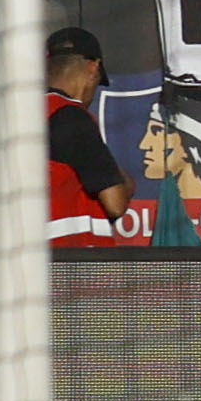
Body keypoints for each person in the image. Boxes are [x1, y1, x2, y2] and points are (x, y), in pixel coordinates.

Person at [45, 23, 133, 247]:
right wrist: (127, 182)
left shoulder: (12, 115)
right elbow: (115, 202)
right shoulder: (71, 116)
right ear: (93, 68)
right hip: (71, 267)